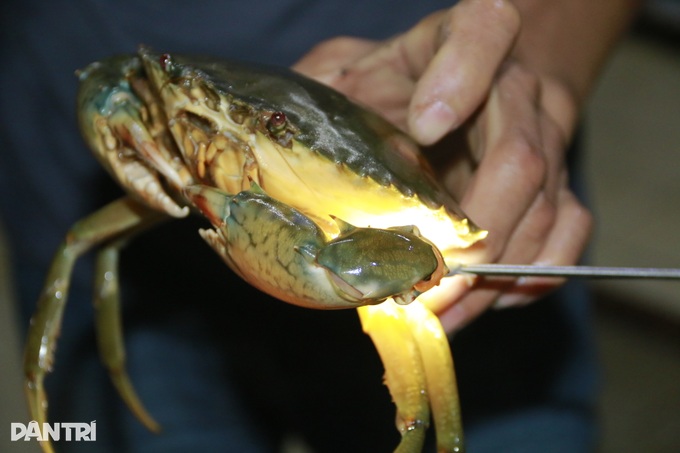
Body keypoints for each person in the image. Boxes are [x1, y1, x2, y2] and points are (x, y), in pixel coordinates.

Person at [0, 1, 639, 452]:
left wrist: (543, 58)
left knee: (427, 417)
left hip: (450, 230)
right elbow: (114, 83)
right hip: (64, 156)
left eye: (272, 133)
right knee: (87, 261)